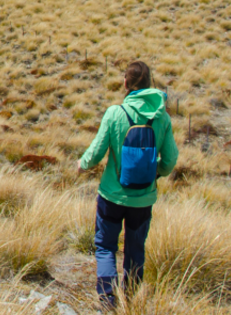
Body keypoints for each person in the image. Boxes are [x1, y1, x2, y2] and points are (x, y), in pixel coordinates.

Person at [78, 60, 179, 310]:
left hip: (112, 196)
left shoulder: (115, 113)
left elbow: (96, 152)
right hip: (143, 198)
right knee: (135, 247)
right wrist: (155, 174)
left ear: (125, 83)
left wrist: (82, 164)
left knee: (105, 246)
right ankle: (131, 299)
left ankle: (107, 300)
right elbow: (170, 159)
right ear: (149, 84)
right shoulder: (161, 116)